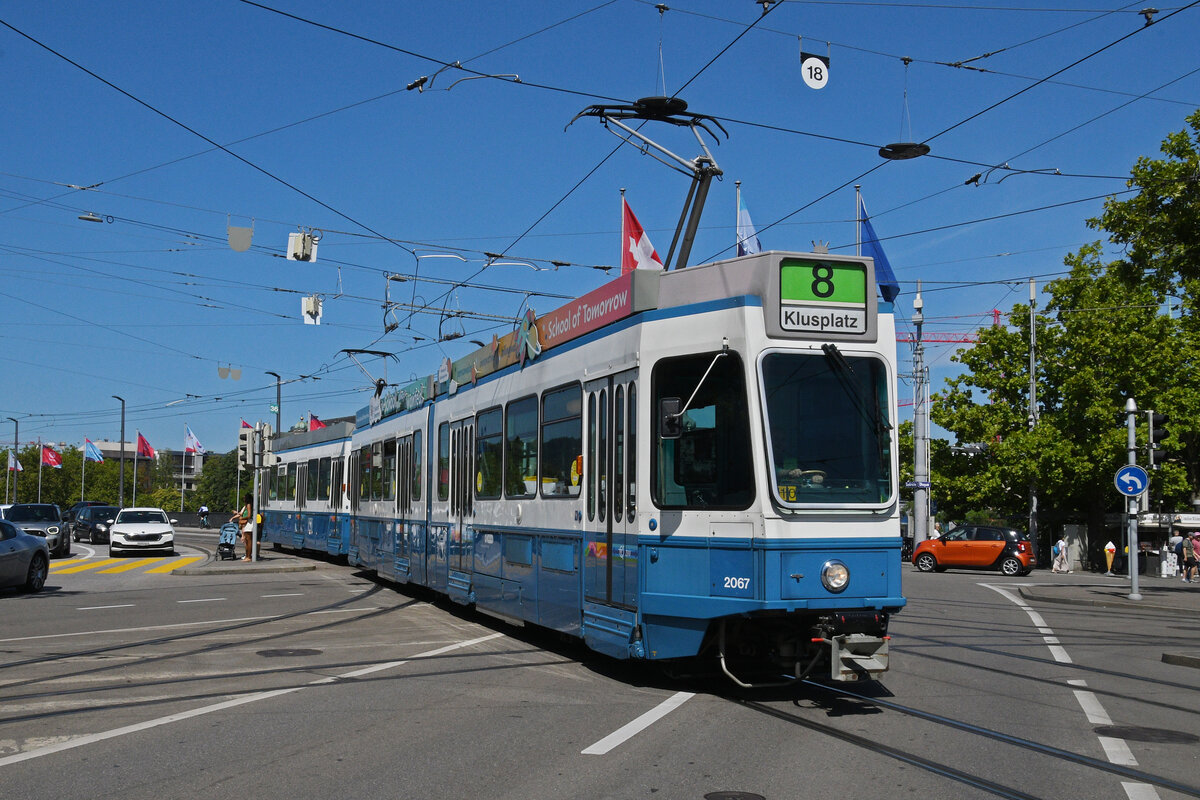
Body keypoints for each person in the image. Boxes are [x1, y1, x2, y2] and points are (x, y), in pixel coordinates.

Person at [232, 494, 253, 561]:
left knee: (248, 540)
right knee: (246, 540)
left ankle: (248, 556)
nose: (243, 499)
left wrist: (242, 518)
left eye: (244, 498)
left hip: (249, 523)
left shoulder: (249, 505)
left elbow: (249, 515)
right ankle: (247, 556)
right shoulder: (247, 505)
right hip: (248, 523)